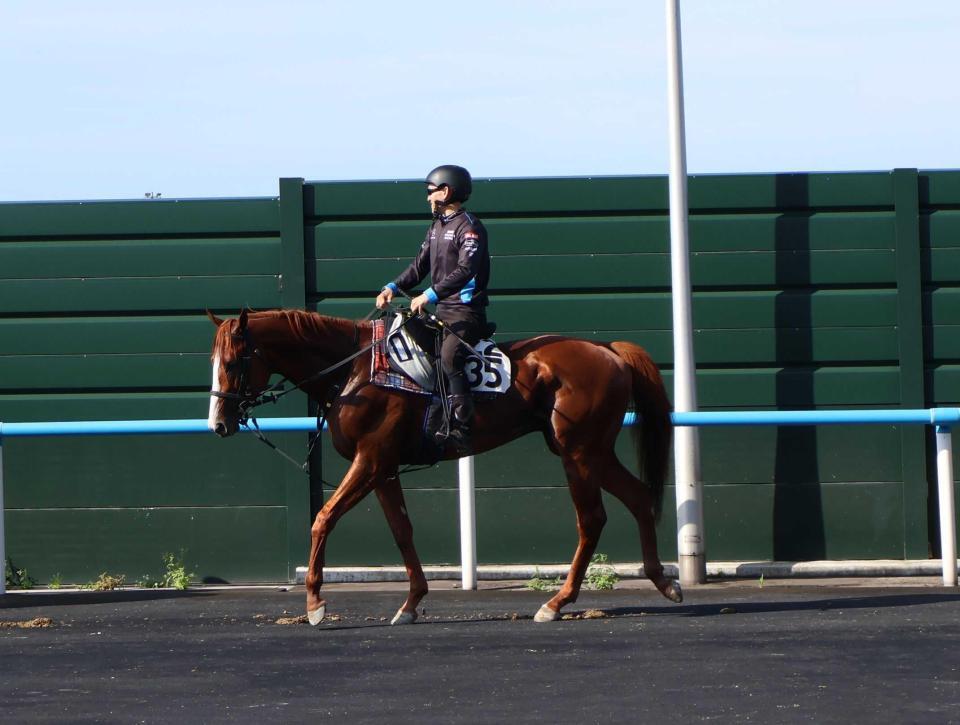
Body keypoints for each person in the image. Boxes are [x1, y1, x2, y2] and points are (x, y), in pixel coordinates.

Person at [375, 164, 490, 455]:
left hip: (466, 313)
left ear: (446, 191)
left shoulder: (470, 227)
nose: (427, 198)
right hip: (442, 312)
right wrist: (392, 286)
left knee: (449, 358)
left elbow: (466, 269)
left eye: (430, 192)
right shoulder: (436, 227)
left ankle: (461, 427)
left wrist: (429, 294)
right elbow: (419, 267)